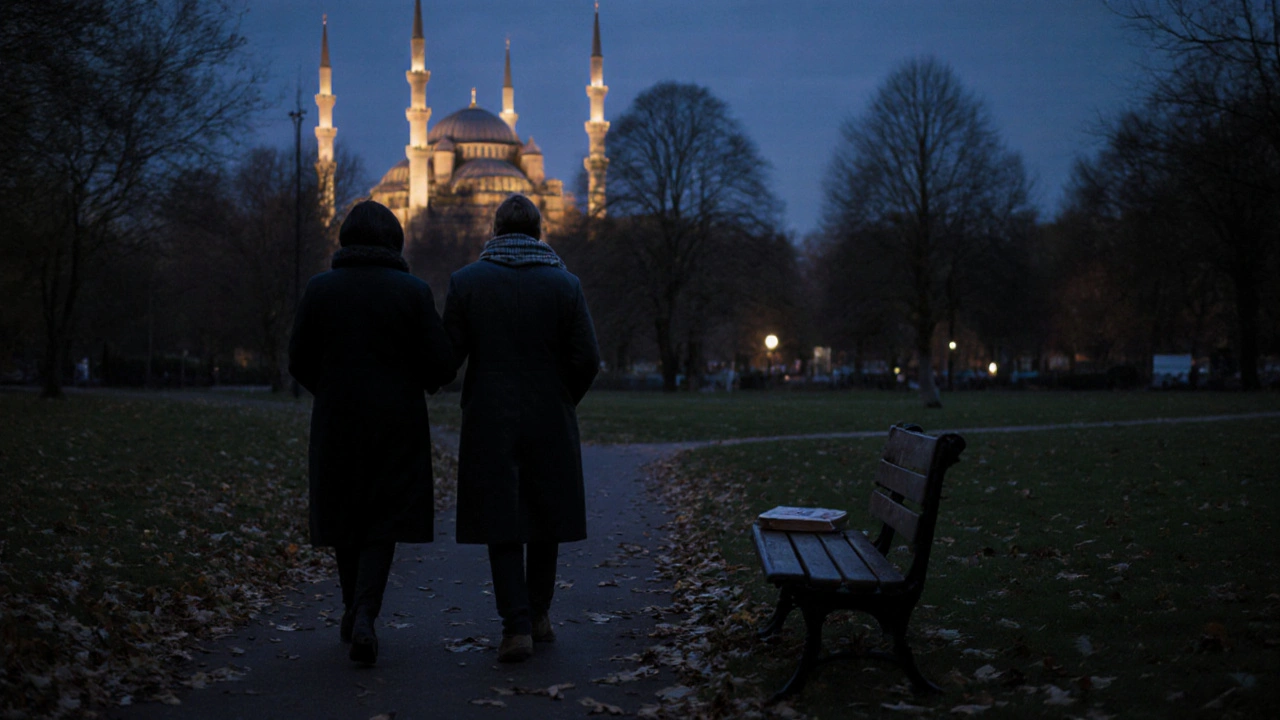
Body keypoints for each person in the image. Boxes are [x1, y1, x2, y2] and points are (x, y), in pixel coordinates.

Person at [288, 200, 455, 665]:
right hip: (396, 424)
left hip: (337, 420)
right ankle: (365, 610)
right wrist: (416, 381)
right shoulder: (412, 292)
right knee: (383, 518)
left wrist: (330, 389)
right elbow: (441, 364)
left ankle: (351, 607)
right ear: (394, 241)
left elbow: (298, 359)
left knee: (345, 513)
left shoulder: (321, 289)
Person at [442, 194, 599, 663]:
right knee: (545, 514)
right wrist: (561, 395)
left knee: (501, 520)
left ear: (494, 230)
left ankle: (515, 627)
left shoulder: (466, 283)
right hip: (549, 414)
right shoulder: (565, 285)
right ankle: (538, 614)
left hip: (490, 417)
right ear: (538, 231)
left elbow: (447, 359)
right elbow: (587, 359)